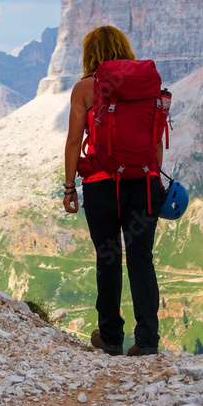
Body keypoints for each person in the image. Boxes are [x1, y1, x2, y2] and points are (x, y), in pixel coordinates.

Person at [62, 25, 162, 356]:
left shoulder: (85, 89)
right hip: (144, 182)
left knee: (108, 256)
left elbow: (75, 139)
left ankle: (111, 337)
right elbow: (156, 138)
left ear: (90, 54)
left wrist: (68, 186)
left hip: (102, 185)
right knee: (141, 258)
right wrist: (155, 179)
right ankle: (147, 340)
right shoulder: (147, 85)